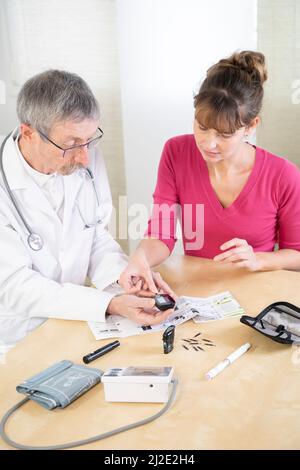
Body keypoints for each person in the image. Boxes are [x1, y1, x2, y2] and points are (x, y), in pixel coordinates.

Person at [0, 70, 172, 351]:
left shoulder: (84, 153)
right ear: (28, 133)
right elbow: (15, 285)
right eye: (71, 144)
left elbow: (94, 234)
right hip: (22, 337)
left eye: (91, 139)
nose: (85, 157)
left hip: (75, 324)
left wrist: (124, 278)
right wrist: (110, 304)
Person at [120, 51, 300, 294]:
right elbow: (161, 234)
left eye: (224, 134)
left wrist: (259, 260)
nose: (208, 143)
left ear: (250, 126)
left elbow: (296, 254)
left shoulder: (283, 175)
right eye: (202, 126)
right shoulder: (176, 152)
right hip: (198, 294)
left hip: (256, 293)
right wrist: (140, 258)